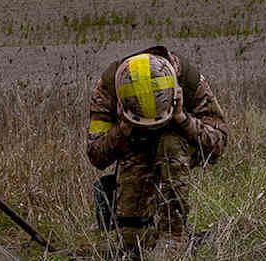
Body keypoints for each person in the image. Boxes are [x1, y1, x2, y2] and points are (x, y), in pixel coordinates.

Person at [87, 46, 227, 260]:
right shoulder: (108, 88)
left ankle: (175, 235)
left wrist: (182, 120)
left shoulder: (189, 81)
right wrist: (123, 129)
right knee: (133, 241)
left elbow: (218, 144)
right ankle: (154, 234)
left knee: (170, 144)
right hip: (133, 148)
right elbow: (96, 155)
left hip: (177, 147)